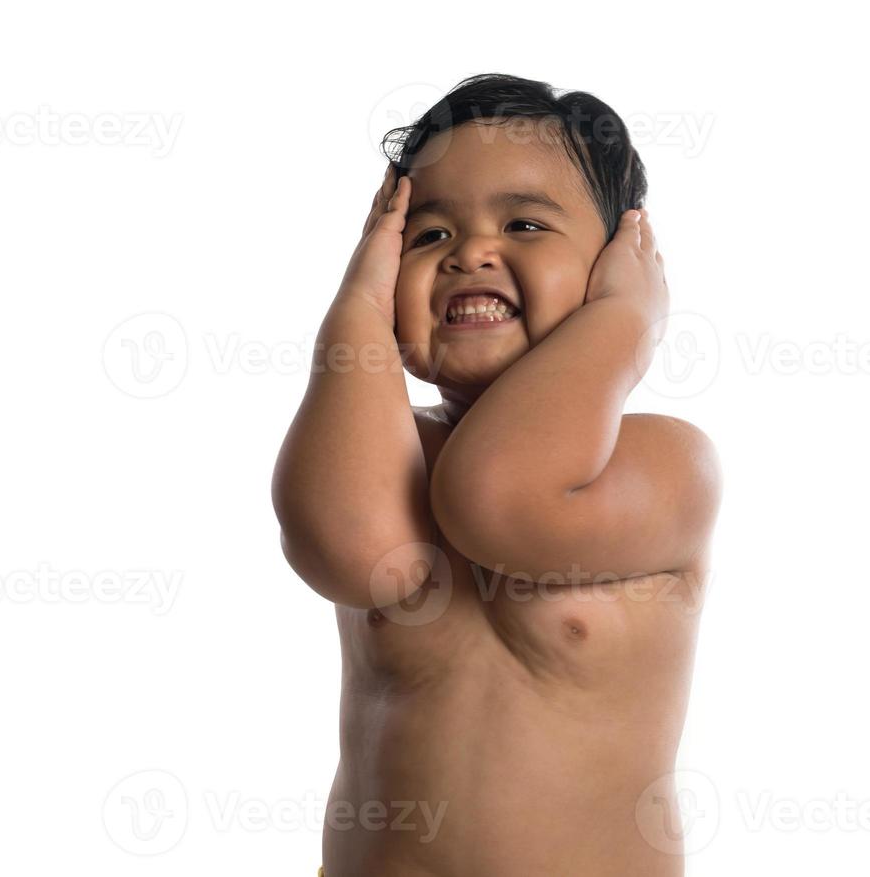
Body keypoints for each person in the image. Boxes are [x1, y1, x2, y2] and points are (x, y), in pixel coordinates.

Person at [272, 73, 723, 876]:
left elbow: (501, 500)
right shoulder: (388, 453)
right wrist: (355, 310)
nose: (471, 252)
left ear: (618, 262)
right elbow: (350, 548)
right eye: (426, 235)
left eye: (522, 222)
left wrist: (623, 322)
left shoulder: (663, 464)